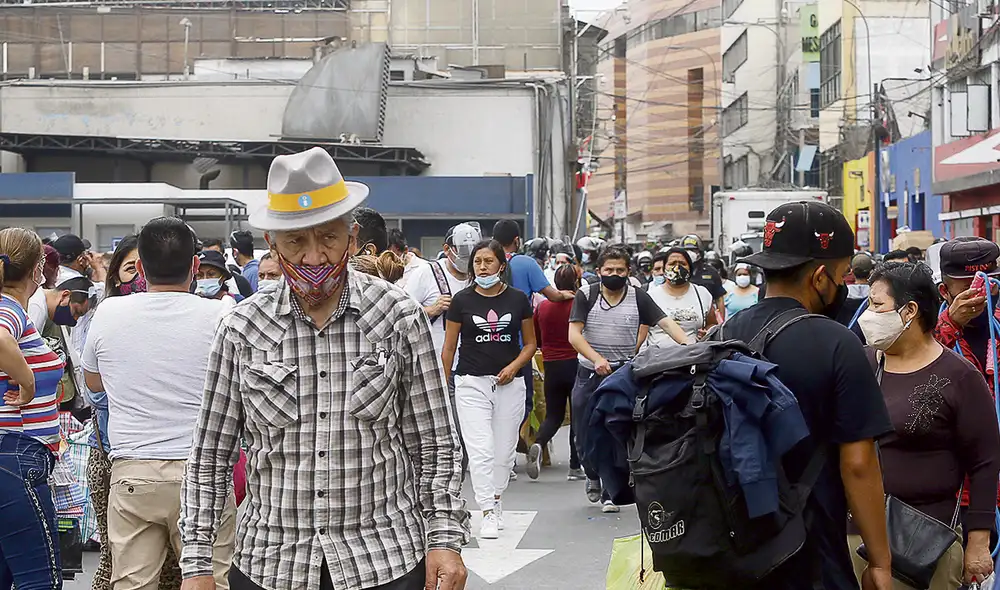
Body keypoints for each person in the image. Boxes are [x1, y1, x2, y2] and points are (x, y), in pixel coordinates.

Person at [179, 147, 469, 590]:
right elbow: (209, 456)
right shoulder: (241, 329)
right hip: (271, 564)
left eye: (328, 238)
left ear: (352, 238)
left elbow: (434, 440)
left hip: (384, 559)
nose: (314, 259)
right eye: (296, 241)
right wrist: (198, 563)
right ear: (272, 245)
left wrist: (444, 537)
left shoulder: (397, 316)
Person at [729, 200, 893, 590]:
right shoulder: (838, 343)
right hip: (812, 556)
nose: (844, 284)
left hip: (733, 554)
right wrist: (880, 562)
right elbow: (858, 465)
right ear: (820, 277)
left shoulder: (724, 335)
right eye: (842, 273)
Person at [83, 217, 237, 590]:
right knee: (211, 581)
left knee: (132, 583)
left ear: (141, 267)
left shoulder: (109, 312)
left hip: (133, 470)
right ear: (195, 265)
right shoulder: (221, 314)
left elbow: (93, 382)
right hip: (203, 473)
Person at [850, 262, 1000, 589]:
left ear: (909, 311)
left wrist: (978, 541)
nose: (868, 315)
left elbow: (985, 462)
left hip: (927, 540)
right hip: (857, 533)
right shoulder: (859, 363)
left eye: (877, 305)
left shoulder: (960, 376)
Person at [85, 234, 182, 590]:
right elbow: (93, 390)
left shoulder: (186, 315)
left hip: (162, 459)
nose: (139, 278)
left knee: (174, 573)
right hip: (115, 456)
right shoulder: (106, 316)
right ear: (116, 275)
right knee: (116, 565)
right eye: (130, 269)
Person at [568, 245, 688, 513]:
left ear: (628, 272)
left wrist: (689, 346)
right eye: (609, 270)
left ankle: (610, 491)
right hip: (589, 373)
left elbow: (666, 323)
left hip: (622, 376)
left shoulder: (638, 297)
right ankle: (591, 472)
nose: (614, 274)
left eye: (620, 270)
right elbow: (574, 335)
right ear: (598, 271)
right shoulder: (586, 295)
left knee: (615, 433)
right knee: (583, 434)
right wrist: (596, 359)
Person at [441, 239, 536, 540]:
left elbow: (531, 344)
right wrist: (443, 384)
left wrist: (514, 367)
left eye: (488, 261)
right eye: (477, 262)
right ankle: (487, 510)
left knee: (504, 454)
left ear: (501, 265)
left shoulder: (518, 299)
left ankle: (496, 497)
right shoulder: (461, 301)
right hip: (471, 383)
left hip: (510, 384)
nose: (482, 267)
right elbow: (449, 347)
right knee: (480, 450)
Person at [0, 227, 66, 590]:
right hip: (16, 454)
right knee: (40, 580)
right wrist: (27, 382)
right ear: (37, 268)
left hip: (13, 456)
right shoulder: (8, 307)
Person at [404, 222, 480, 390]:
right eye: (463, 251)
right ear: (447, 249)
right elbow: (401, 314)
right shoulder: (426, 273)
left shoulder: (479, 276)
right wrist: (431, 310)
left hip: (473, 368)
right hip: (435, 365)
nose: (469, 257)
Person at [528, 264, 584, 481]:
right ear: (576, 282)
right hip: (576, 363)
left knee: (554, 415)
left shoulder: (543, 307)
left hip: (551, 365)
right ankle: (575, 466)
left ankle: (539, 443)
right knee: (578, 417)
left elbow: (536, 337)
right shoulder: (579, 304)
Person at [645, 248, 715, 345]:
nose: (677, 267)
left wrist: (707, 333)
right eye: (672, 263)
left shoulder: (702, 294)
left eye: (682, 263)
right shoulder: (650, 296)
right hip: (659, 353)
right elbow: (642, 333)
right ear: (664, 268)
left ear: (690, 268)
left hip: (693, 352)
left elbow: (712, 323)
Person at [679, 234, 727, 321]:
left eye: (693, 250)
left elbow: (719, 299)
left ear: (700, 252)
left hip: (707, 317)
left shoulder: (711, 272)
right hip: (683, 317)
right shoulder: (677, 271)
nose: (689, 253)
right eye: (686, 250)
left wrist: (721, 321)